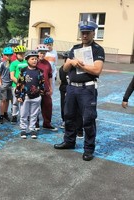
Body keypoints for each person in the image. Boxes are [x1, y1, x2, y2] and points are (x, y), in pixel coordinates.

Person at [54, 21, 105, 161]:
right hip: (71, 88)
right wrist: (70, 62)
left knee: (88, 119)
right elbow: (64, 70)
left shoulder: (97, 49)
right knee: (69, 115)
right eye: (82, 32)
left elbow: (97, 70)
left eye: (87, 32)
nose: (84, 35)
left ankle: (88, 149)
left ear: (93, 33)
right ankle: (69, 141)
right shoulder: (74, 48)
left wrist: (80, 65)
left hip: (87, 88)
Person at [15, 50, 44, 139]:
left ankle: (32, 129)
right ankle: (23, 129)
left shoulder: (40, 71)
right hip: (25, 96)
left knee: (34, 114)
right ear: (27, 60)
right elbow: (19, 83)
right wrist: (18, 95)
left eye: (36, 59)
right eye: (32, 59)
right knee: (24, 113)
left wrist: (41, 94)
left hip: (36, 97)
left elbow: (42, 83)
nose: (35, 61)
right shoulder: (23, 71)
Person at [59, 51, 83, 138]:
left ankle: (79, 129)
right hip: (65, 89)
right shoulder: (63, 69)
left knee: (77, 110)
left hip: (74, 89)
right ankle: (66, 123)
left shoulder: (77, 69)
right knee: (66, 108)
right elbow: (63, 79)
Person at [36, 44, 57, 131]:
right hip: (35, 88)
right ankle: (35, 124)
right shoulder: (34, 62)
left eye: (44, 53)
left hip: (46, 88)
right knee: (35, 107)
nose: (42, 55)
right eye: (41, 53)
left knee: (48, 106)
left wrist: (51, 87)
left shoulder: (47, 63)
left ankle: (47, 123)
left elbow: (50, 76)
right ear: (37, 53)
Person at [9, 45, 28, 124]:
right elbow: (12, 76)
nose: (22, 55)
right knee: (15, 101)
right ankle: (14, 115)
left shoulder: (26, 62)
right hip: (16, 85)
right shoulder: (13, 64)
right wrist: (19, 83)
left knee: (25, 101)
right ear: (16, 54)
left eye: (23, 54)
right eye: (20, 54)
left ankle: (24, 116)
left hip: (25, 85)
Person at [0, 47, 14, 124]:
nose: (8, 57)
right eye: (7, 55)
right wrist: (0, 84)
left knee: (8, 99)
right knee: (3, 100)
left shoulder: (13, 63)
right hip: (4, 83)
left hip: (11, 84)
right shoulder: (2, 63)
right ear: (4, 55)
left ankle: (5, 113)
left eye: (10, 55)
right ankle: (1, 115)